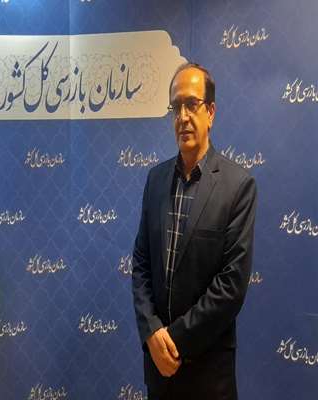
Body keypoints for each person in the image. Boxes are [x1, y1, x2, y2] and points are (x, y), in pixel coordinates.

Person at [131, 63, 257, 400]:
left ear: (211, 112)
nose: (183, 117)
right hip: (159, 373)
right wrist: (151, 332)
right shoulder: (155, 181)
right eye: (176, 107)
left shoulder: (238, 186)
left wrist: (173, 342)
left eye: (192, 104)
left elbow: (230, 287)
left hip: (208, 376)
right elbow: (141, 264)